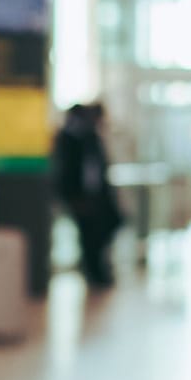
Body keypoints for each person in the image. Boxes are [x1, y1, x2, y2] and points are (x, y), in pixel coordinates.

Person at [52, 103, 122, 288]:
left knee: (105, 229)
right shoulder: (69, 138)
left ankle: (98, 272)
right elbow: (65, 171)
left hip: (97, 196)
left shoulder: (92, 137)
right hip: (80, 197)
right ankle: (94, 273)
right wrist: (72, 197)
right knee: (88, 235)